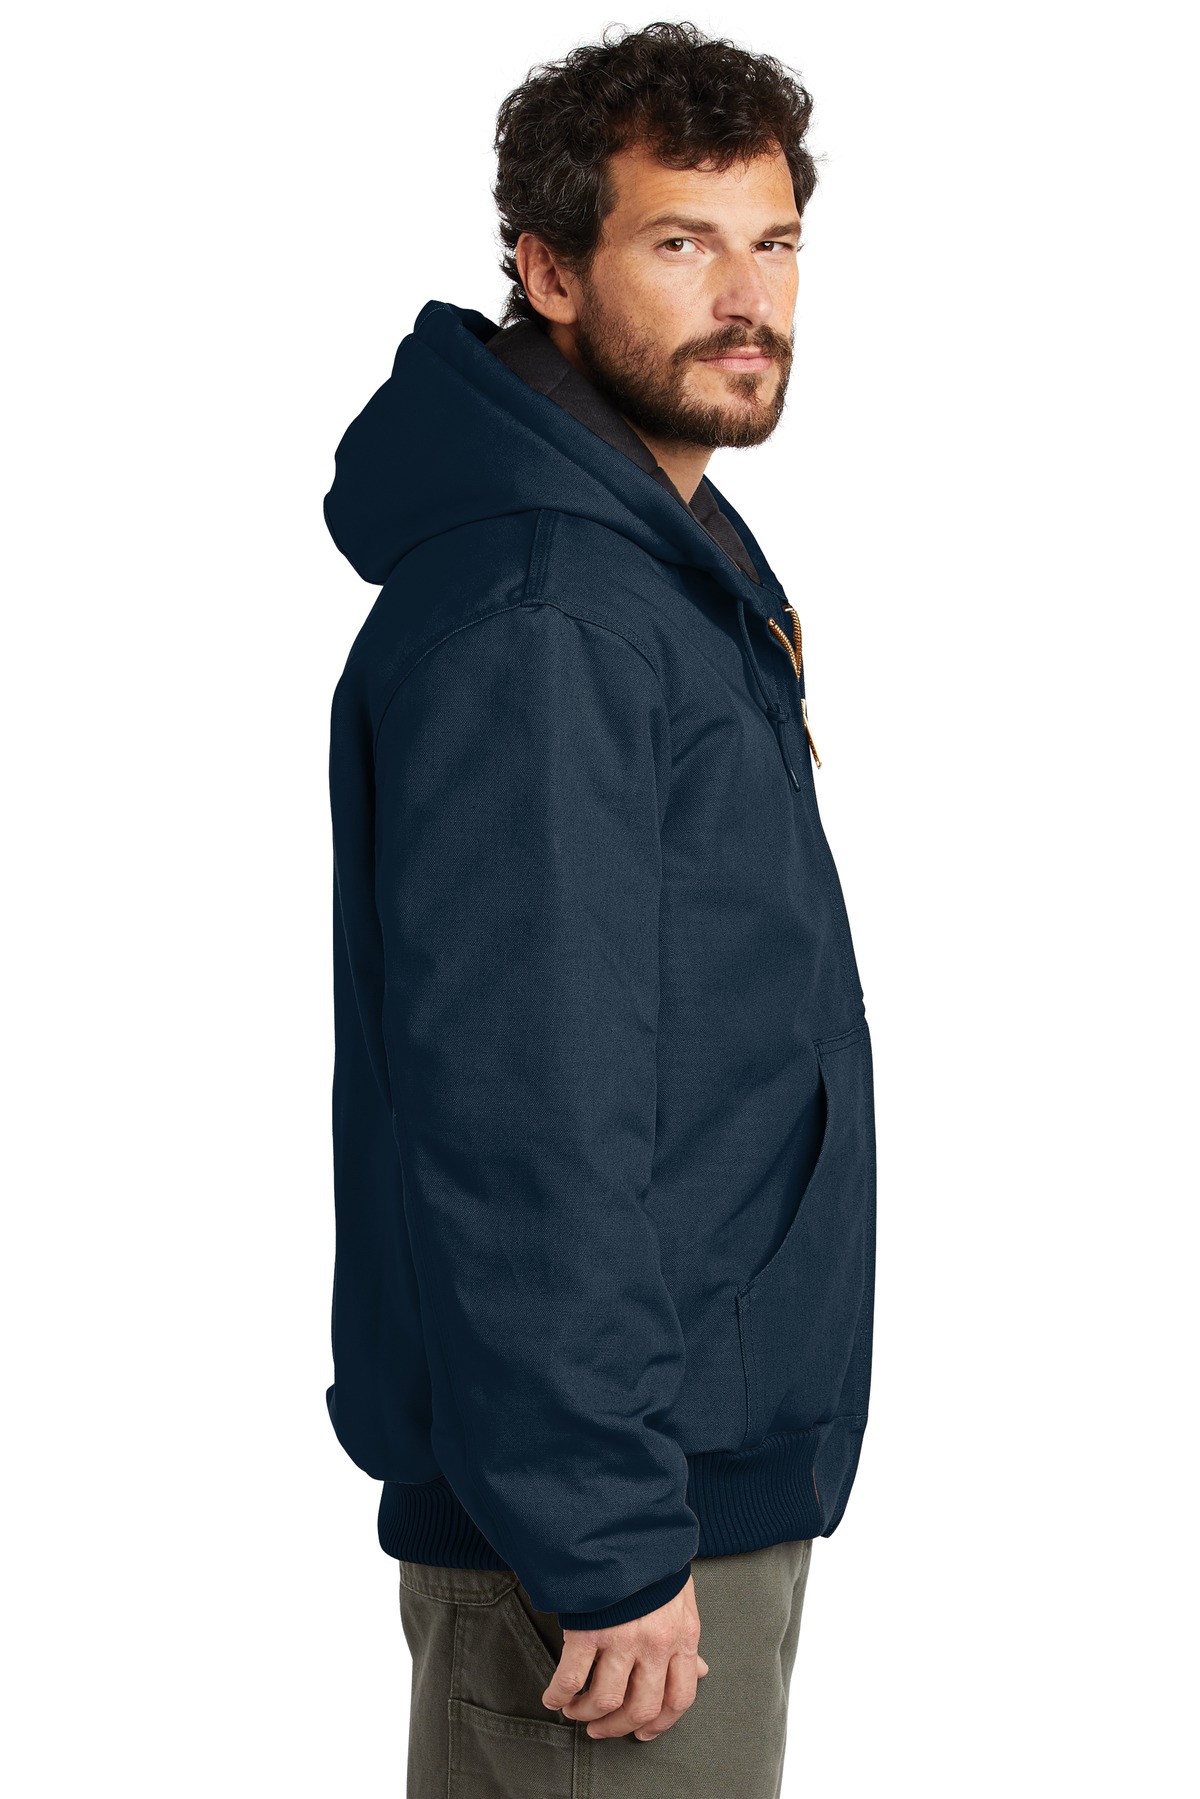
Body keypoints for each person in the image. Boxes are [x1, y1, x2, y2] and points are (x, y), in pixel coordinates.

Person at [323, 21, 876, 1797]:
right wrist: (607, 1531)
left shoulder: (655, 572)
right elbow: (521, 1113)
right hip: (612, 1539)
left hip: (671, 1481)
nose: (748, 298)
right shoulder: (548, 618)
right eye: (681, 242)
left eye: (774, 242)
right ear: (550, 272)